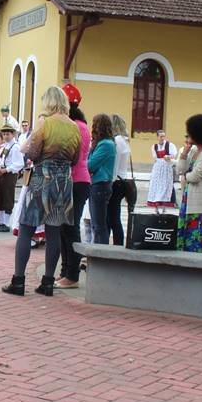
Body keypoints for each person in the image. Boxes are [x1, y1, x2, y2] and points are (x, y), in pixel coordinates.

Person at [2, 86, 80, 297]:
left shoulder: (45, 123)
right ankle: (47, 282)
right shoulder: (74, 127)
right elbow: (75, 158)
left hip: (41, 179)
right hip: (63, 182)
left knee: (26, 229)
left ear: (48, 102)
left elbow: (30, 150)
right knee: (54, 231)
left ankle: (18, 280)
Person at [57, 83, 90, 289]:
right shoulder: (80, 125)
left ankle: (72, 274)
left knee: (70, 228)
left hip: (75, 181)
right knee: (65, 228)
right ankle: (66, 271)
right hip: (77, 181)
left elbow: (70, 156)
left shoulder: (75, 126)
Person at [175, 114, 202, 253]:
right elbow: (179, 170)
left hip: (199, 205)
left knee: (195, 240)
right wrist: (184, 154)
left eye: (189, 135)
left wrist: (185, 177)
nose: (187, 138)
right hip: (188, 200)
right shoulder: (193, 151)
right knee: (184, 237)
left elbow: (195, 176)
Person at [87, 114, 116, 245]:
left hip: (100, 185)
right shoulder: (102, 143)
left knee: (99, 226)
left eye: (95, 124)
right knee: (96, 225)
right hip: (97, 184)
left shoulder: (106, 144)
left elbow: (90, 164)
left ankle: (100, 254)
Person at [106, 114, 133, 246]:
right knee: (114, 216)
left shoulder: (117, 141)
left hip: (116, 181)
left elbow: (115, 165)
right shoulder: (124, 140)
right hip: (123, 180)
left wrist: (109, 183)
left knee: (112, 218)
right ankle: (118, 243)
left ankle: (117, 245)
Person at [0, 123, 25, 233]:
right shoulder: (5, 146)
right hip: (2, 173)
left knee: (7, 197)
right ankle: (1, 222)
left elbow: (19, 163)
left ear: (13, 134)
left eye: (8, 134)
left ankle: (6, 223)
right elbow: (2, 160)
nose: (6, 136)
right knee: (0, 197)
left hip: (10, 174)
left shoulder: (15, 147)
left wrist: (6, 170)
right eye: (4, 134)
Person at [146, 131, 177, 211]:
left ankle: (164, 206)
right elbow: (155, 157)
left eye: (163, 136)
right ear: (157, 137)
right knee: (156, 185)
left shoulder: (169, 145)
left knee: (165, 185)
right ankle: (156, 205)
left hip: (166, 166)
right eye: (160, 136)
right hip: (158, 168)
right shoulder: (154, 146)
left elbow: (174, 154)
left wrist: (169, 156)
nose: (162, 138)